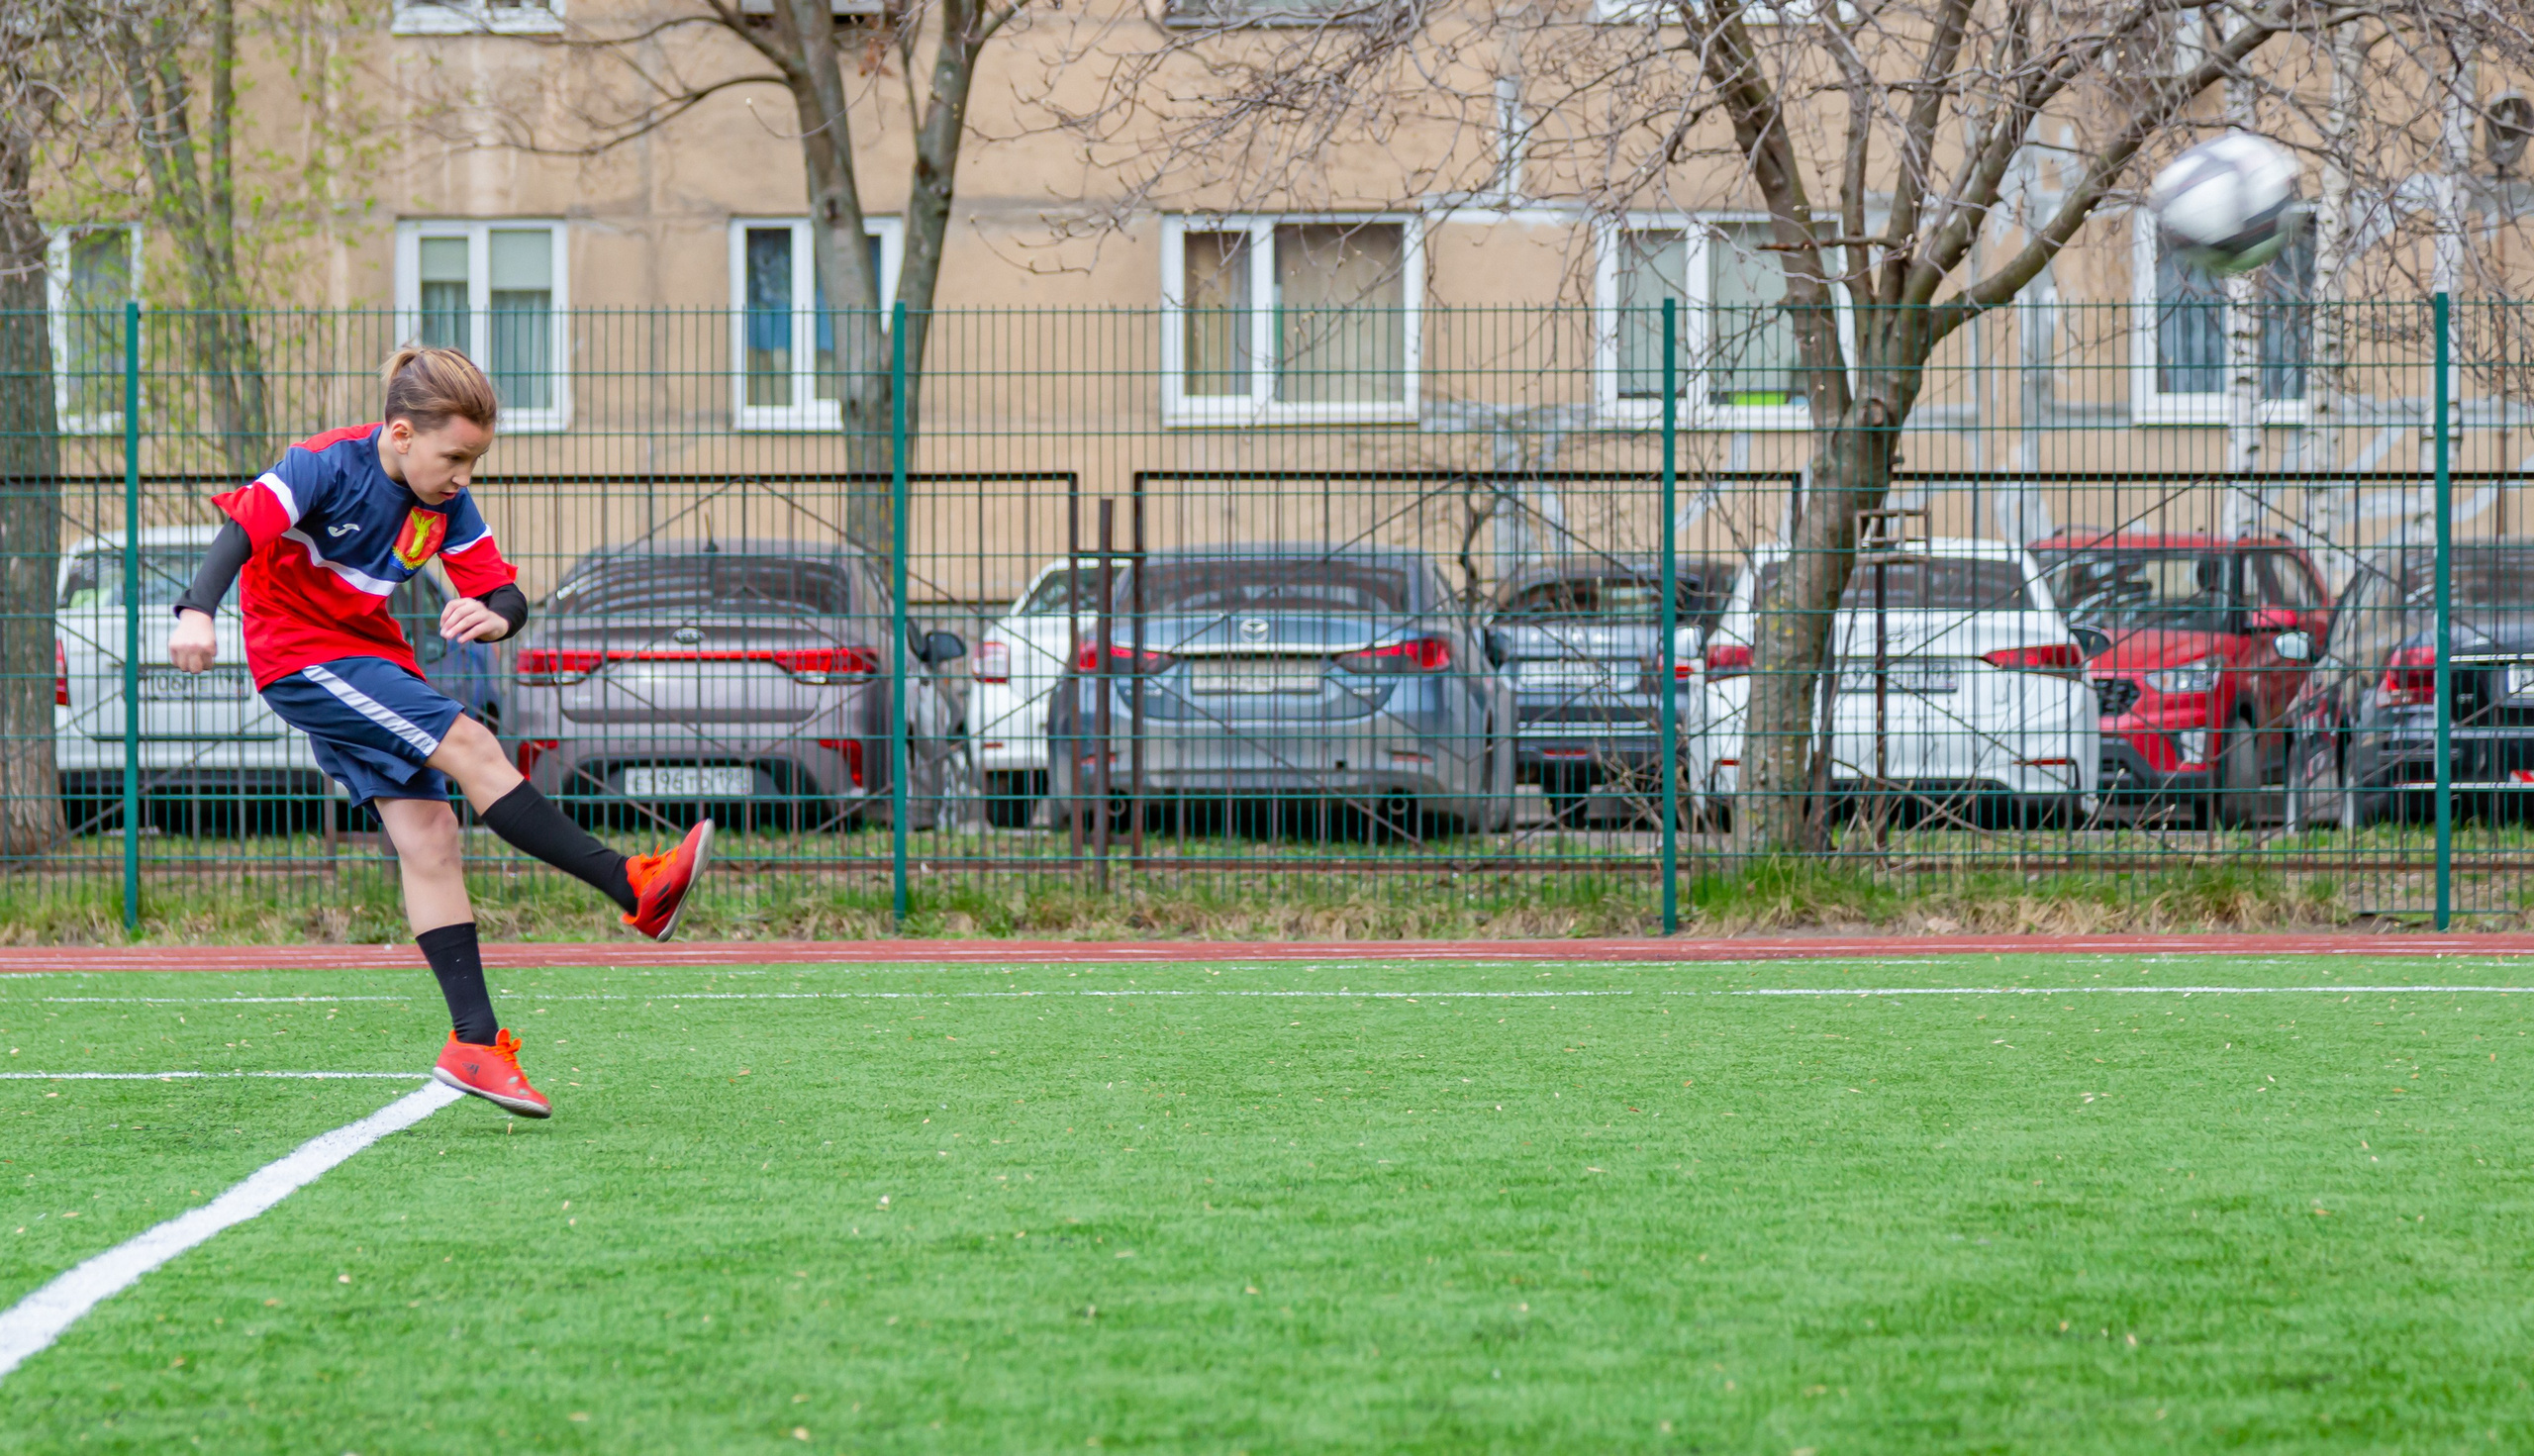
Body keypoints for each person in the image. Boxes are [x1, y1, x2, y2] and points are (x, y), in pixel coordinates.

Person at [166, 344, 712, 1120]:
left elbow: (506, 593)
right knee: (474, 746)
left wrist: (497, 617)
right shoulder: (322, 465)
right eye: (454, 457)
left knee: (430, 837)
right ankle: (634, 885)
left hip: (368, 654)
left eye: (474, 461)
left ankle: (475, 1044)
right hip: (302, 654)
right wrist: (196, 610)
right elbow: (241, 530)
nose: (463, 477)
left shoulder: (445, 503)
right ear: (400, 435)